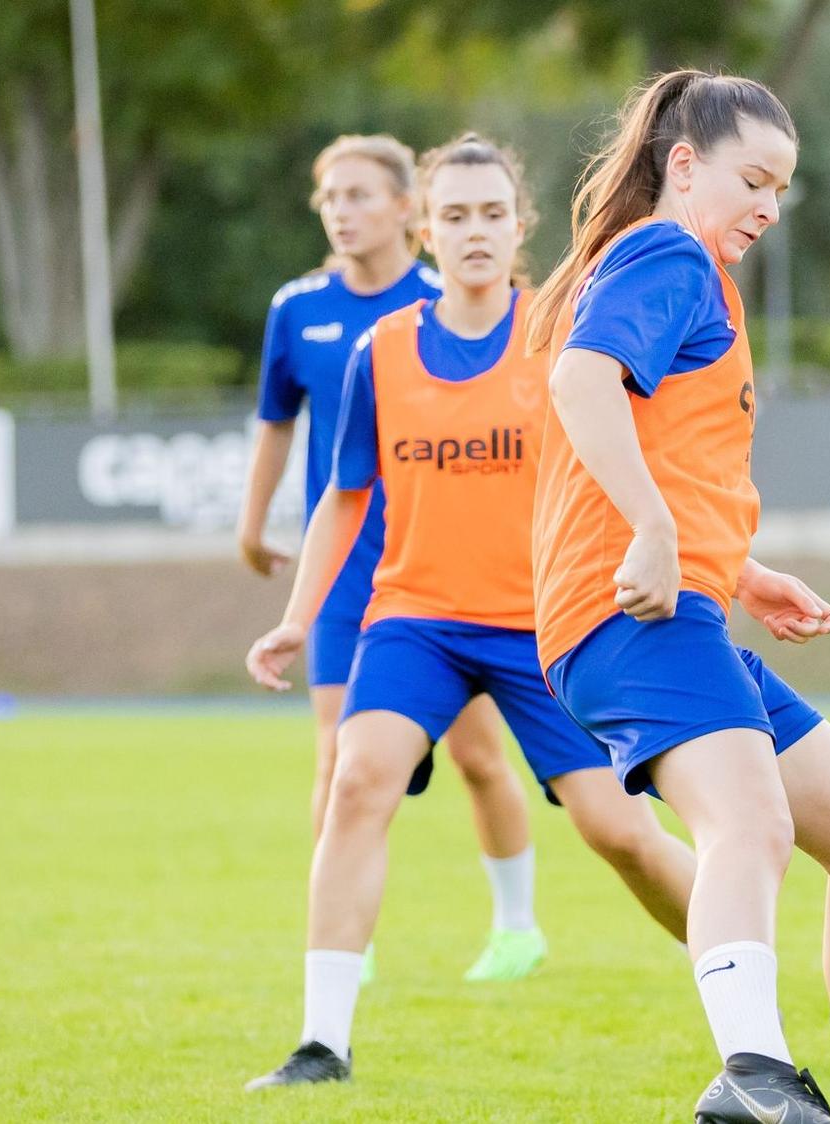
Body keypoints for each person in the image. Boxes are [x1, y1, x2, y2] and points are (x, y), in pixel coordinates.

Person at [242, 132, 703, 1091]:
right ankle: (321, 1044)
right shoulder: (384, 351)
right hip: (414, 620)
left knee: (620, 835)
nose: (475, 231)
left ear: (521, 227)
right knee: (358, 782)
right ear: (426, 230)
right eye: (454, 216)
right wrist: (299, 615)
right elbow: (343, 497)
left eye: (493, 213)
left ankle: (742, 975)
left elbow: (638, 470)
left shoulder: (564, 340)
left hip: (546, 626)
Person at [524, 72, 830, 1124]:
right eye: (753, 179)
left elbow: (647, 444)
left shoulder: (675, 270)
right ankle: (754, 1076)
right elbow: (578, 385)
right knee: (750, 822)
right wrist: (654, 533)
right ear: (682, 164)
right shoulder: (666, 251)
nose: (768, 209)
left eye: (781, 189)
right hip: (631, 614)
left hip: (680, 605)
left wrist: (735, 567)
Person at [236, 133, 545, 985]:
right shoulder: (296, 309)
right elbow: (276, 424)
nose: (342, 211)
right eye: (329, 197)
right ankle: (347, 946)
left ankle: (517, 926)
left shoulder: (447, 298)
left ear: (409, 214)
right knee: (342, 760)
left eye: (360, 195)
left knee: (482, 757)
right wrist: (252, 520)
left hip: (443, 571)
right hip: (345, 578)